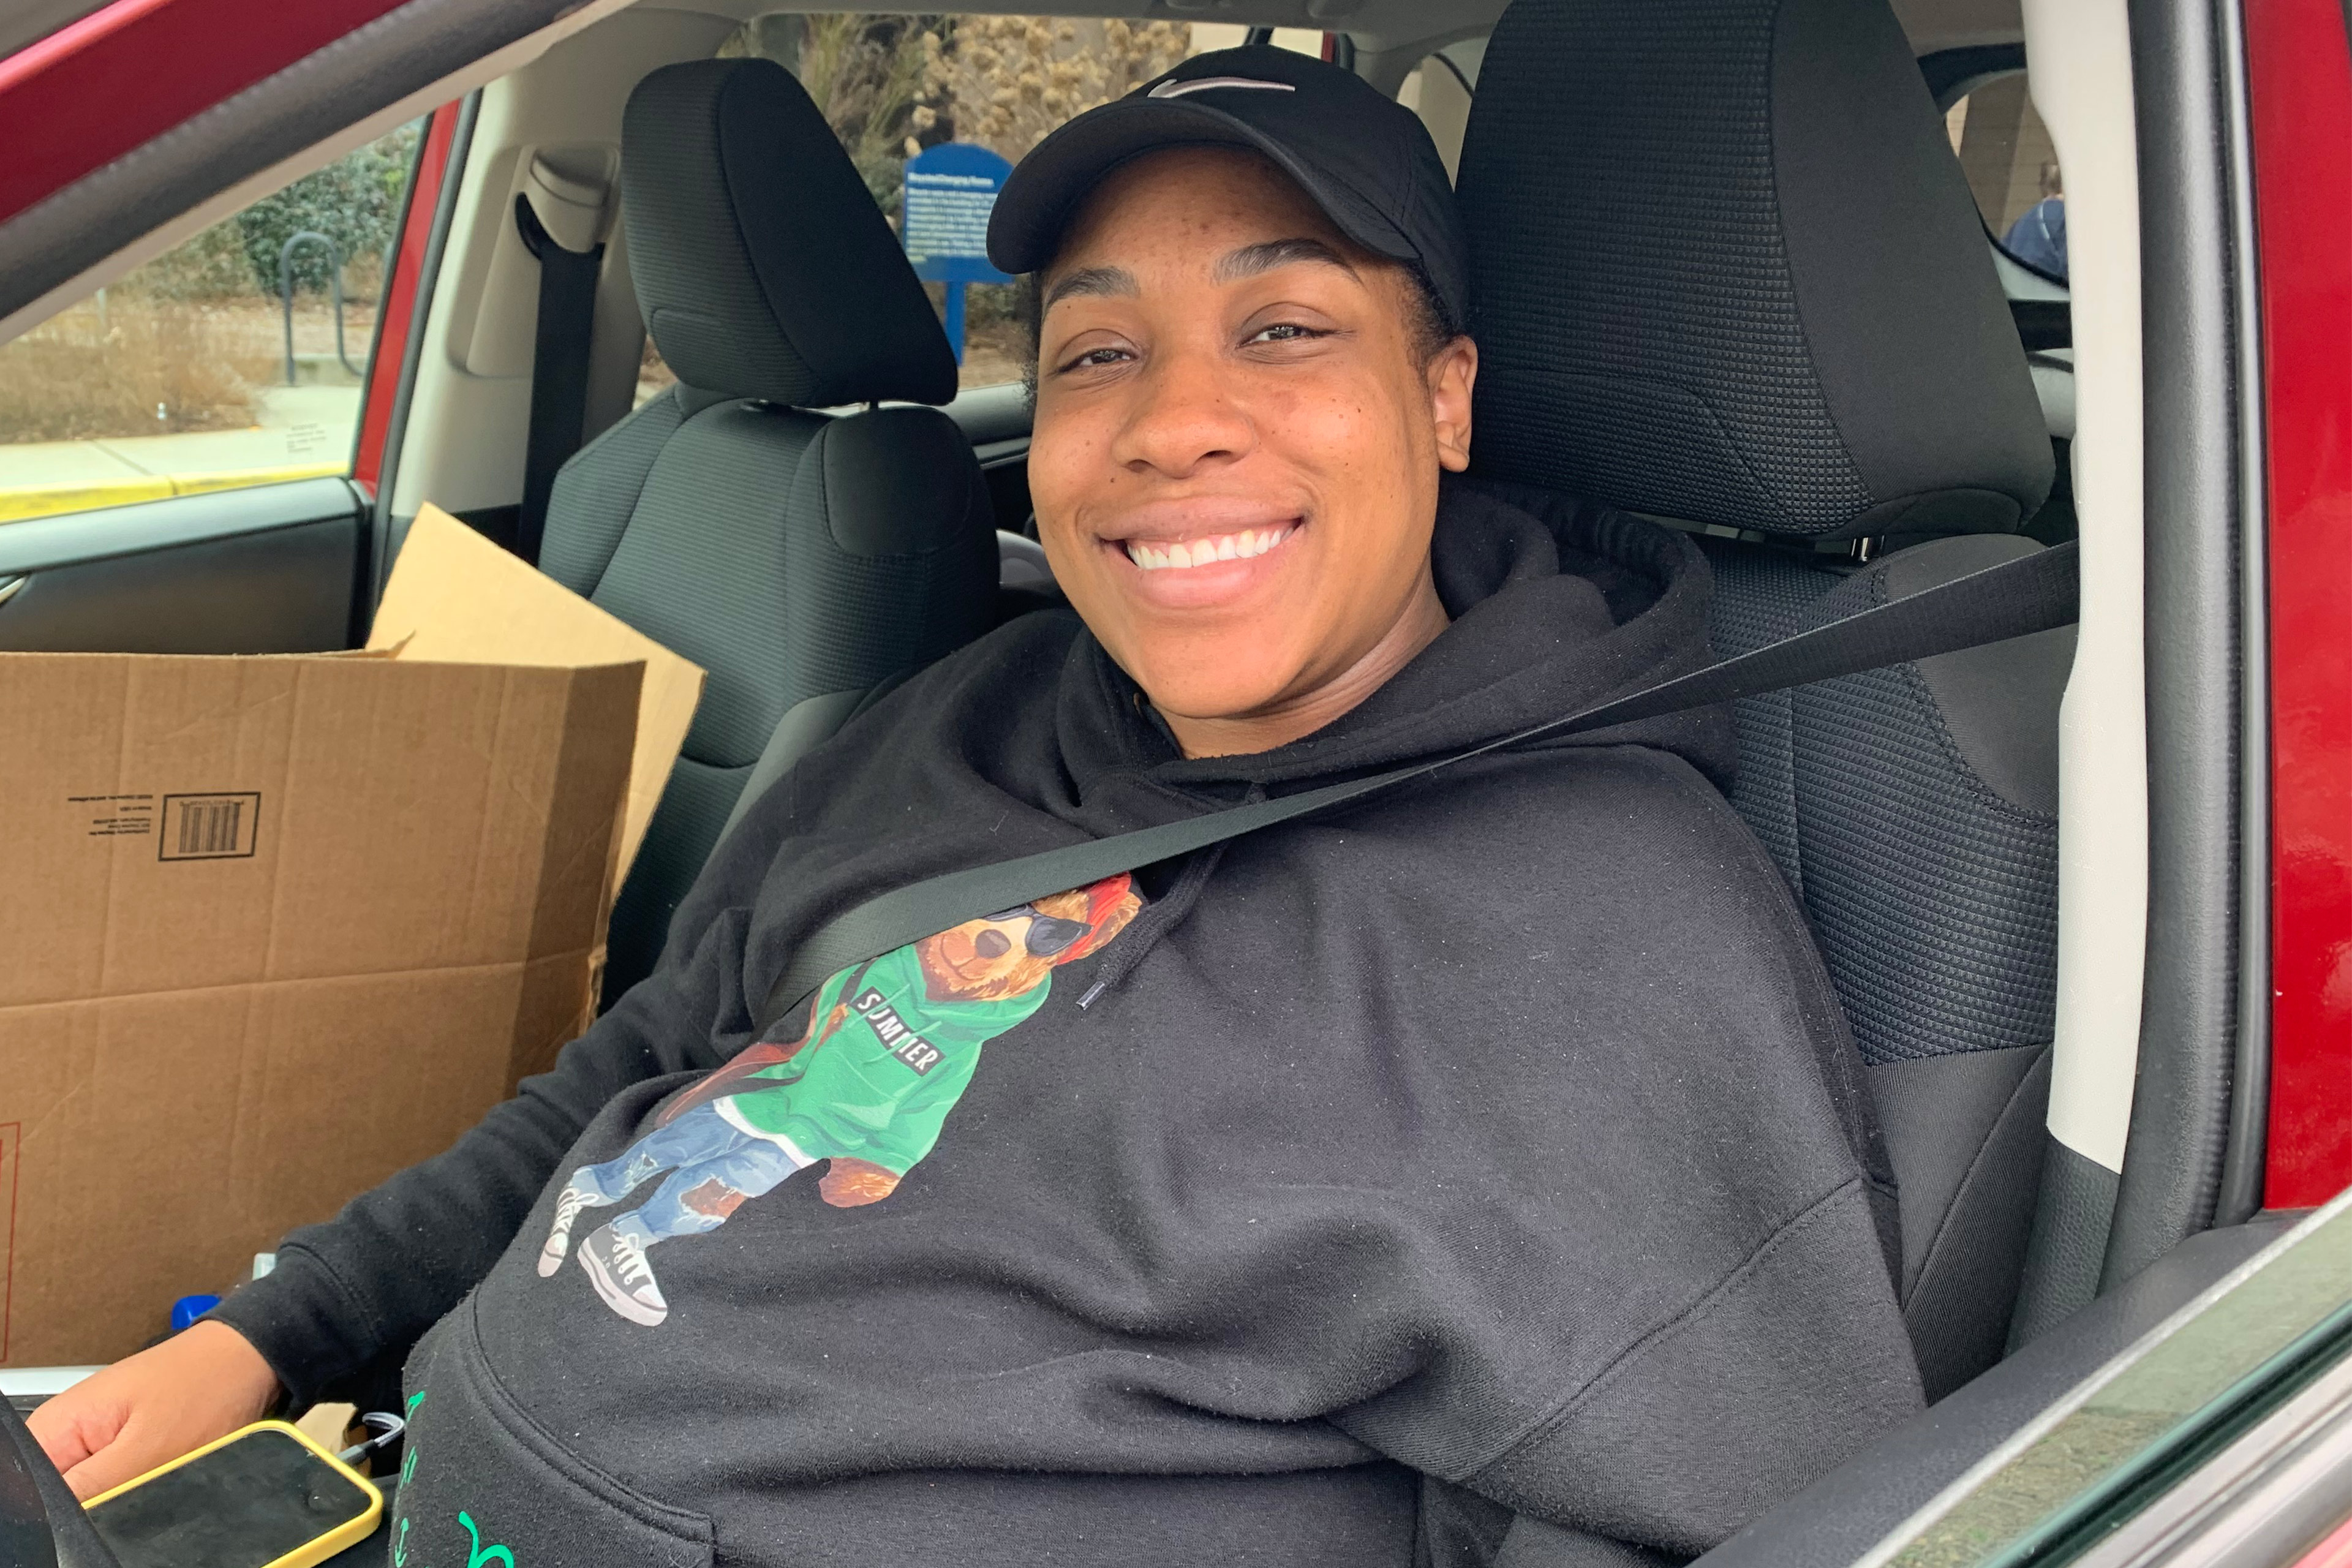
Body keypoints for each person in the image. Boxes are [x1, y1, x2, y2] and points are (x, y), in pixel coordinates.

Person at [32, 47, 1923, 1567]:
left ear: (1442, 397)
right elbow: (647, 1056)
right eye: (1097, 349)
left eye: (1281, 330)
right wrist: (269, 1334)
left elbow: (1710, 1512)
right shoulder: (980, 710)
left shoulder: (1601, 938)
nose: (1171, 418)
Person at [2002, 161, 2067, 281]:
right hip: (2051, 293)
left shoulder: (2021, 221)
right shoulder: (2065, 216)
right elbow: (2073, 268)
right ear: (2065, 184)